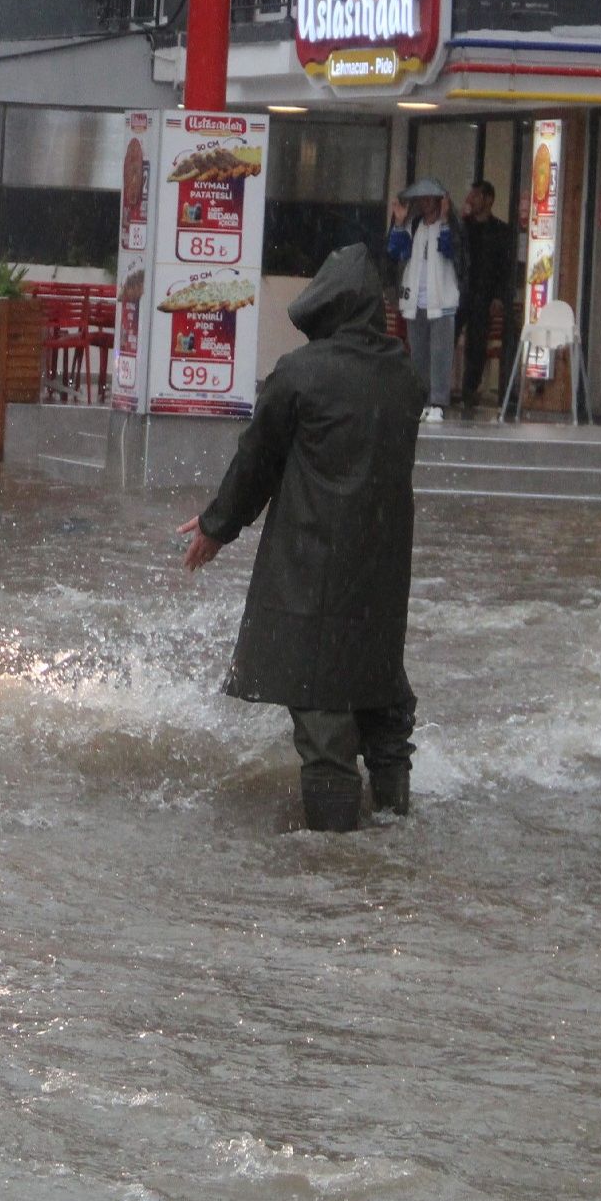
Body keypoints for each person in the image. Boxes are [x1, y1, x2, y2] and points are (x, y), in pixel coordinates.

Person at [178, 245, 427, 832]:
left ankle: (331, 877)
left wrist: (217, 526)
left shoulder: (300, 374)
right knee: (384, 706)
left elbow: (257, 462)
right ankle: (397, 841)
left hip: (313, 570)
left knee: (325, 720)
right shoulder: (407, 379)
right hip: (383, 577)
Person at [385, 178, 465, 423]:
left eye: (432, 198)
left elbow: (451, 250)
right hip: (415, 301)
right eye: (422, 198)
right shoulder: (415, 225)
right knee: (418, 354)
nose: (426, 202)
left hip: (442, 301)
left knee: (441, 354)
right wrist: (398, 222)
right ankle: (422, 400)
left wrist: (443, 221)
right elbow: (396, 251)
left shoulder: (450, 226)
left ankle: (438, 402)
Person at [461, 179, 520, 406]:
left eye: (476, 196)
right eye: (471, 195)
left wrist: (498, 296)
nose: (471, 200)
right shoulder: (464, 227)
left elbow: (505, 269)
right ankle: (441, 388)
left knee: (477, 343)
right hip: (461, 291)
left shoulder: (501, 232)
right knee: (450, 337)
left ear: (489, 199)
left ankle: (470, 389)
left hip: (484, 294)